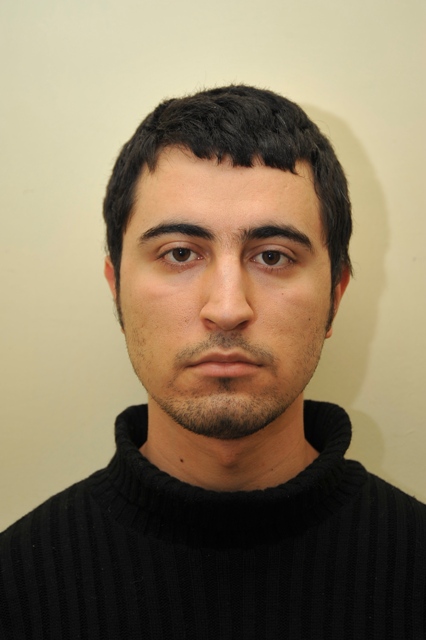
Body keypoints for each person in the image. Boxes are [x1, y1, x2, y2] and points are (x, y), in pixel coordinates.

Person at [0, 85, 425, 639]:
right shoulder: (16, 587)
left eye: (273, 256)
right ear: (116, 287)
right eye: (180, 253)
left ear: (335, 295)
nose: (227, 308)